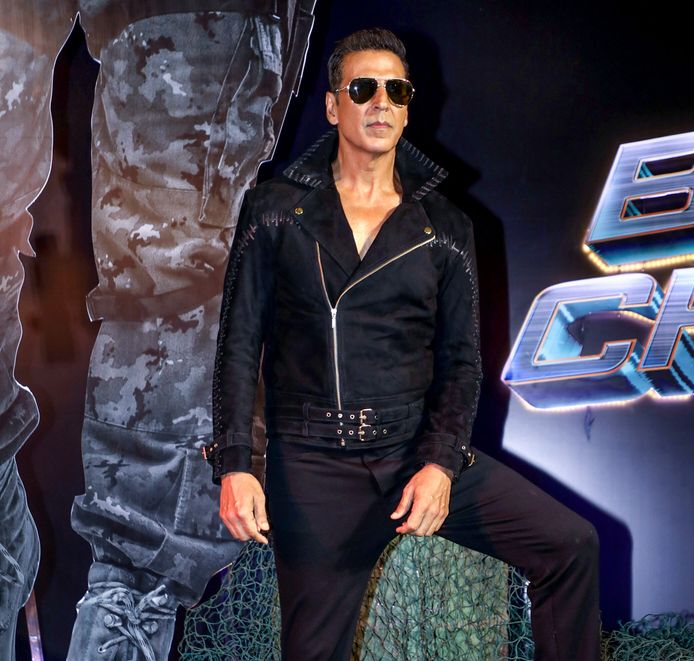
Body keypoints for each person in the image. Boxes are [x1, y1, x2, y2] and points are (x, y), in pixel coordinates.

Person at [207, 27, 600, 661]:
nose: (381, 102)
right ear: (333, 106)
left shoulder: (445, 227)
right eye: (363, 88)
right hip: (313, 467)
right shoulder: (276, 210)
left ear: (409, 108)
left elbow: (461, 362)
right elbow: (237, 343)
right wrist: (235, 464)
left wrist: (440, 464)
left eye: (397, 91)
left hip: (411, 452)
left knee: (570, 545)